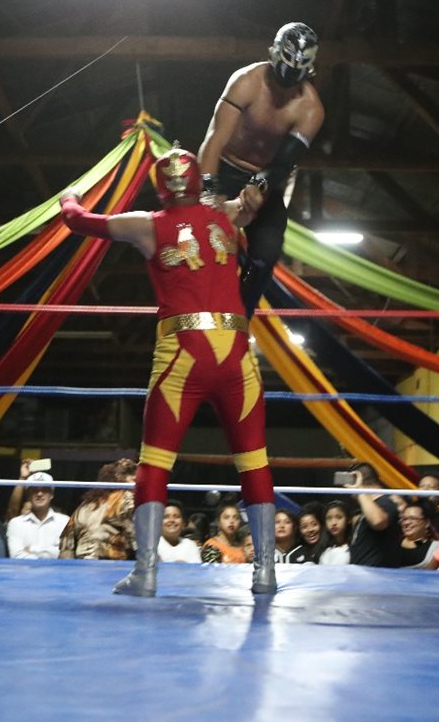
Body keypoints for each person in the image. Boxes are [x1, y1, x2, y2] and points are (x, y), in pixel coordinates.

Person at [60, 145, 277, 597]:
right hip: (236, 349)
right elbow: (261, 199)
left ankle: (147, 572)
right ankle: (265, 573)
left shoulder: (148, 225)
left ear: (161, 187)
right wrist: (260, 183)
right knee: (253, 459)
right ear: (199, 180)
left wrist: (70, 196)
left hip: (183, 352)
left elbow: (78, 222)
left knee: (155, 461)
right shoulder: (225, 214)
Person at [197, 22, 325, 317]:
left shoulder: (311, 109)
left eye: (293, 80)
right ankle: (196, 304)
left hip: (267, 178)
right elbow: (214, 141)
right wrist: (207, 194)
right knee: (198, 235)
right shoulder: (246, 81)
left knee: (267, 253)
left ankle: (241, 315)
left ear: (308, 72)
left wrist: (260, 185)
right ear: (272, 55)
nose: (284, 89)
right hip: (223, 167)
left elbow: (283, 162)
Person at [59, 459, 137, 560]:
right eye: (134, 480)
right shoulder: (126, 499)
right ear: (120, 478)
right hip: (112, 569)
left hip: (81, 567)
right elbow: (140, 542)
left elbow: (66, 547)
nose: (138, 485)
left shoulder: (84, 506)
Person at [348, 462, 402, 568]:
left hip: (378, 577)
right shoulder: (370, 507)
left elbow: (378, 521)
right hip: (365, 575)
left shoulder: (386, 502)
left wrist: (359, 490)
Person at [6, 471, 69, 559]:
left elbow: (65, 554)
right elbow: (17, 556)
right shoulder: (16, 523)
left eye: (45, 490)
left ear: (51, 495)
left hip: (56, 572)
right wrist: (50, 553)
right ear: (28, 496)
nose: (39, 494)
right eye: (34, 490)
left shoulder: (65, 521)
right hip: (24, 572)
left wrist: (32, 549)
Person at [397, 502, 439, 568]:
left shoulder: (436, 548)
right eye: (404, 519)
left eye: (413, 518)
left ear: (427, 523)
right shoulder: (393, 543)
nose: (407, 523)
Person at [319, 500, 352, 565]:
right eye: (329, 518)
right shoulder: (324, 549)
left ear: (348, 520)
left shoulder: (353, 548)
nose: (333, 523)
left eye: (339, 517)